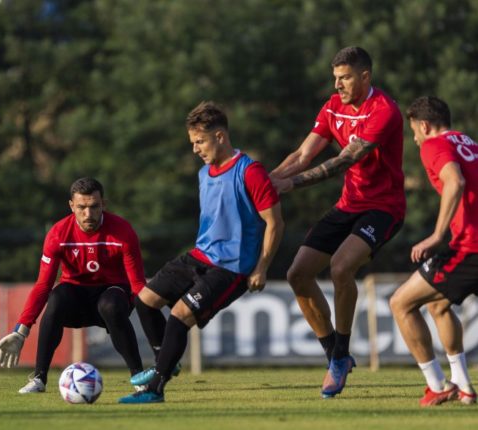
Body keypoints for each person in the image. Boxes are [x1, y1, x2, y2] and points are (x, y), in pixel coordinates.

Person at [118, 101, 284, 404]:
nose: (195, 149)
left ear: (220, 136)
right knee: (144, 301)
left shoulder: (251, 172)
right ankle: (165, 361)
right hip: (198, 256)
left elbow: (275, 223)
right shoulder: (204, 173)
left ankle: (156, 387)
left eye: (200, 141)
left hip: (231, 268)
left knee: (179, 316)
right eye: (192, 142)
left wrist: (261, 267)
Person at [269, 46, 405, 398]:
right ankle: (335, 355)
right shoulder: (332, 106)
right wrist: (265, 183)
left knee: (341, 269)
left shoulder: (385, 111)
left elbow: (344, 161)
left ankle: (341, 354)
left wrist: (292, 184)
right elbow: (302, 155)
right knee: (297, 274)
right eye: (335, 78)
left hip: (383, 208)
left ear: (365, 76)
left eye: (344, 78)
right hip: (348, 205)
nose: (338, 84)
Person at [0, 177, 146, 393]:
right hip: (76, 300)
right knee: (56, 298)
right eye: (81, 207)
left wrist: (154, 322)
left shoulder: (123, 231)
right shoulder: (58, 234)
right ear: (71, 206)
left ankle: (139, 378)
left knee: (110, 304)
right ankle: (39, 379)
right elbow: (43, 285)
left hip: (113, 296)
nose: (88, 214)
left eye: (94, 207)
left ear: (104, 204)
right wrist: (21, 331)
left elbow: (137, 284)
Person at [389, 96, 476, 406]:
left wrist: (437, 234)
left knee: (401, 303)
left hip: (470, 248)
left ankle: (438, 385)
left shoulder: (433, 145)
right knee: (439, 306)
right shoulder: (467, 141)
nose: (414, 139)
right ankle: (464, 386)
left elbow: (455, 182)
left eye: (414, 131)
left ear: (424, 125)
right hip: (469, 246)